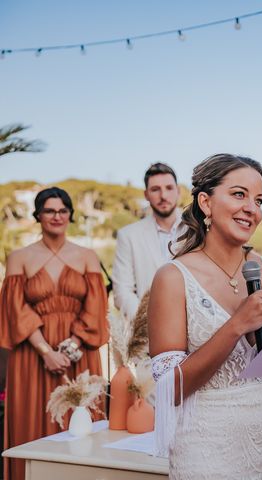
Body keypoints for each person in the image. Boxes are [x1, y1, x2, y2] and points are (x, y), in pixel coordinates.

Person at [148, 154, 262, 479]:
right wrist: (236, 325)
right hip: (210, 453)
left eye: (259, 200)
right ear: (206, 203)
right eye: (239, 194)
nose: (253, 208)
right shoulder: (173, 278)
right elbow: (171, 390)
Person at [0, 187, 110, 480]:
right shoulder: (19, 257)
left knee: (82, 426)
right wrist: (46, 352)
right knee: (32, 423)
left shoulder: (87, 255)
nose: (56, 216)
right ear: (38, 215)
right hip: (32, 355)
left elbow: (96, 307)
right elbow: (15, 309)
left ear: (71, 215)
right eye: (49, 210)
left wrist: (69, 348)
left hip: (79, 353)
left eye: (63, 210)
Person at [112, 163, 182, 323]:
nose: (163, 195)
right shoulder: (128, 235)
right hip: (148, 334)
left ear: (178, 191)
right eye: (155, 189)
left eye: (169, 188)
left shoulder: (197, 229)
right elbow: (122, 292)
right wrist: (149, 323)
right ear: (146, 194)